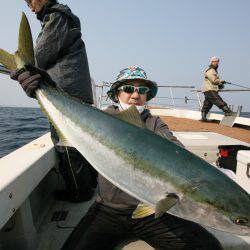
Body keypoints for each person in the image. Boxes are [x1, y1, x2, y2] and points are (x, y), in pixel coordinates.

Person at [62, 67, 223, 250]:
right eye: (129, 89)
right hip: (108, 210)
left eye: (142, 90)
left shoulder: (155, 123)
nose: (135, 95)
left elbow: (174, 147)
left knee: (208, 247)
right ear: (116, 94)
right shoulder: (102, 118)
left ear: (147, 96)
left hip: (152, 210)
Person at [11, 0, 97, 202]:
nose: (30, 8)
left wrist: (20, 64)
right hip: (75, 93)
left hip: (66, 94)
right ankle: (90, 183)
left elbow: (38, 57)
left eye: (30, 1)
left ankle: (79, 192)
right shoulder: (63, 16)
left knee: (66, 145)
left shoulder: (57, 17)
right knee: (83, 143)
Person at [200, 56, 234, 122]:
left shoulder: (213, 70)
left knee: (207, 104)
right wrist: (221, 81)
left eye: (218, 62)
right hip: (210, 89)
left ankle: (203, 117)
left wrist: (220, 85)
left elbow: (214, 81)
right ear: (212, 62)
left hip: (208, 89)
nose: (217, 63)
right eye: (216, 62)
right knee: (218, 100)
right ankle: (227, 111)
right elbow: (214, 80)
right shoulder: (210, 70)